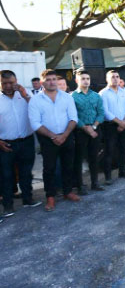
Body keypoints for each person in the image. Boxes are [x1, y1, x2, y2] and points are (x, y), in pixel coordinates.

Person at [28, 69, 80, 212]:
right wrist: (53, 136)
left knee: (68, 165)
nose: (52, 82)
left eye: (53, 79)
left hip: (67, 136)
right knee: (49, 168)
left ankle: (67, 191)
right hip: (47, 139)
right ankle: (50, 196)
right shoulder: (35, 100)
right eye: (48, 80)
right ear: (42, 82)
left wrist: (64, 135)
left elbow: (73, 118)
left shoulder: (67, 97)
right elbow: (35, 123)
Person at [0, 70, 41, 218]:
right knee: (6, 175)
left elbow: (38, 108)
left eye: (11, 82)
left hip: (26, 141)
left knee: (26, 172)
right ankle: (8, 205)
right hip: (6, 144)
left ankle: (28, 199)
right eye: (4, 83)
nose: (8, 86)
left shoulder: (25, 94)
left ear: (16, 81)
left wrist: (25, 95)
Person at [71, 70, 105, 193]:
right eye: (83, 78)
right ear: (77, 80)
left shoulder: (96, 96)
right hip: (80, 132)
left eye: (87, 78)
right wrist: (85, 128)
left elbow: (101, 113)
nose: (86, 81)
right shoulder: (72, 97)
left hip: (95, 130)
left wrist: (94, 126)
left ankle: (95, 183)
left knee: (94, 157)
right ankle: (80, 185)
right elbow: (73, 116)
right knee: (79, 159)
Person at [99, 70, 125, 184]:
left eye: (117, 76)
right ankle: (108, 176)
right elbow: (105, 112)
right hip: (110, 126)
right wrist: (120, 122)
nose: (115, 78)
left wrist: (124, 122)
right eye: (112, 77)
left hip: (124, 125)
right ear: (107, 79)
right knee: (109, 150)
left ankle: (122, 171)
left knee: (123, 148)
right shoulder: (103, 93)